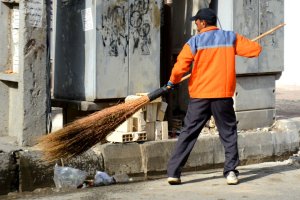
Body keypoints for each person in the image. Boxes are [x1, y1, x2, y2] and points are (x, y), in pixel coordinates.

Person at [166, 8, 262, 185]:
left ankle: (173, 173)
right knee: (228, 133)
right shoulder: (230, 37)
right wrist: (235, 48)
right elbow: (255, 50)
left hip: (200, 96)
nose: (195, 25)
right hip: (222, 95)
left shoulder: (194, 42)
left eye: (196, 22)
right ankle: (231, 172)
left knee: (188, 133)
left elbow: (180, 67)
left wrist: (173, 81)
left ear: (203, 22)